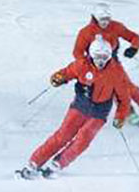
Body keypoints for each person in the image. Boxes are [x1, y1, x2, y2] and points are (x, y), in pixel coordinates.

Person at [19, 35, 132, 177]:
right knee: (63, 136)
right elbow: (66, 73)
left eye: (105, 57)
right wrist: (59, 78)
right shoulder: (82, 65)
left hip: (99, 112)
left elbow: (124, 98)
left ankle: (58, 164)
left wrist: (120, 116)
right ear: (91, 55)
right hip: (80, 106)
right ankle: (35, 162)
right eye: (98, 57)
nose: (101, 61)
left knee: (83, 139)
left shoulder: (116, 72)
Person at [72, 3, 139, 130]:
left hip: (113, 63)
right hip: (96, 68)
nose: (105, 22)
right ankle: (130, 114)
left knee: (130, 88)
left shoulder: (115, 27)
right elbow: (77, 52)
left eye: (107, 19)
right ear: (95, 18)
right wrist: (87, 64)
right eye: (102, 20)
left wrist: (133, 48)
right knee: (115, 90)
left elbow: (134, 37)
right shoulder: (86, 32)